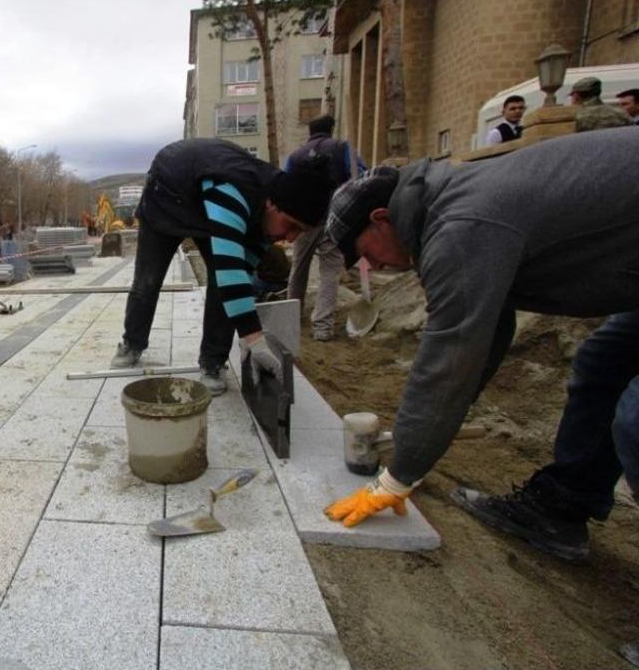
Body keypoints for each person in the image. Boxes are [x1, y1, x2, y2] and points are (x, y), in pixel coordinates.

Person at [320, 128, 639, 561]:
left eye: (364, 253)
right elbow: (486, 335)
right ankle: (564, 506)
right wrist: (431, 428)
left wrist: (398, 477)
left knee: (635, 422)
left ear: (380, 219)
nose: (371, 266)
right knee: (606, 362)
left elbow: (451, 356)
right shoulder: (445, 206)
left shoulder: (459, 227)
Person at [110, 137, 335, 396]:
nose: (292, 238)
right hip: (167, 195)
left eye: (301, 232)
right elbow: (231, 273)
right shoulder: (233, 191)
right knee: (147, 280)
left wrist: (249, 336)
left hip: (204, 208)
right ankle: (132, 342)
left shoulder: (269, 216)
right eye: (291, 226)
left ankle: (213, 362)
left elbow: (238, 278)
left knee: (222, 282)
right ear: (272, 204)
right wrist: (254, 338)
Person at [285, 115, 364, 341]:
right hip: (334, 217)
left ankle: (291, 317)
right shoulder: (342, 148)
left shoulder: (296, 155)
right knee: (329, 272)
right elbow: (360, 176)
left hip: (303, 221)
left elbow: (286, 186)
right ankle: (322, 327)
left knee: (298, 268)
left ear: (310, 132)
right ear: (331, 129)